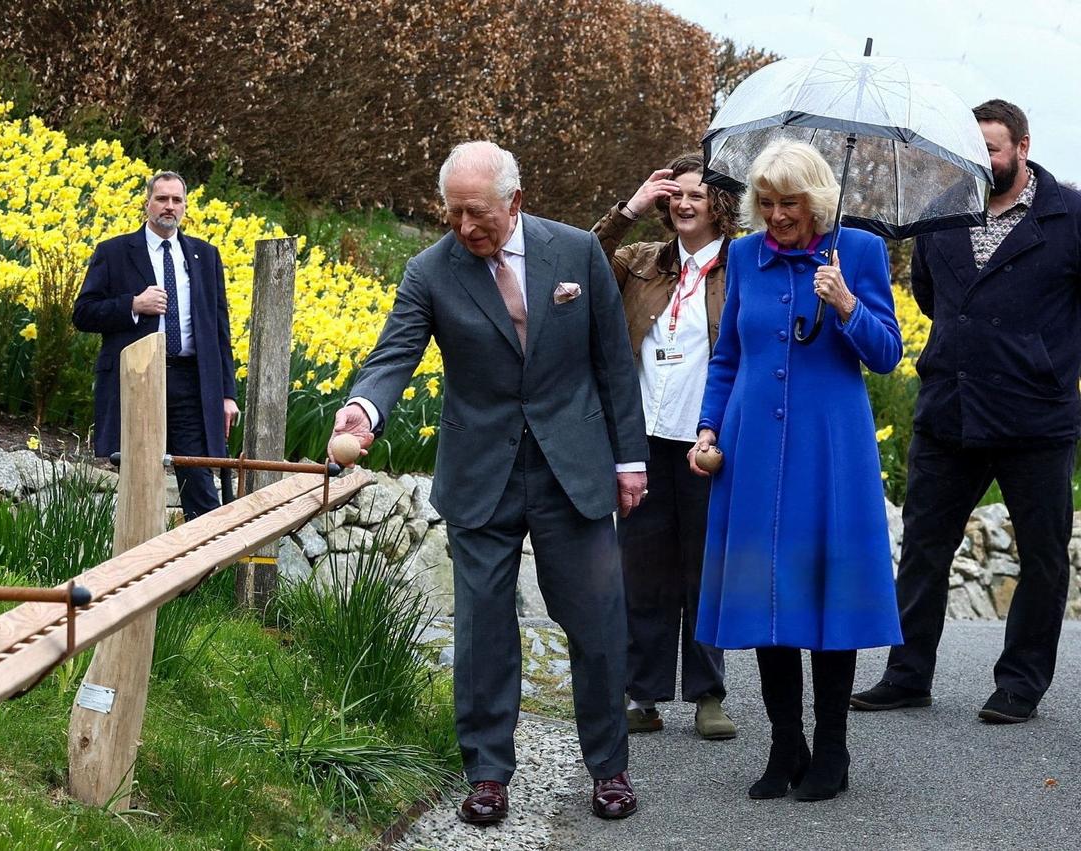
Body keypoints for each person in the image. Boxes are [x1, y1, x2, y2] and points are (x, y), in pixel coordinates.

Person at [327, 141, 648, 823]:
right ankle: (488, 774)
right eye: (454, 215)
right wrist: (363, 408)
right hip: (481, 472)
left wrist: (630, 460)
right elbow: (394, 354)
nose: (467, 227)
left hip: (573, 467)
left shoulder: (576, 254)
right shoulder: (430, 272)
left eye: (479, 214)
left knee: (595, 621)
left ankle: (609, 768)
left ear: (516, 202)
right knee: (481, 628)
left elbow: (613, 363)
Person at [851, 100, 1081, 723]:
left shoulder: (1071, 214)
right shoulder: (940, 213)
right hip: (950, 405)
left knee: (1042, 554)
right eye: (973, 149)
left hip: (1035, 415)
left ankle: (1020, 685)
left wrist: (1049, 360)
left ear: (1023, 148)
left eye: (994, 149)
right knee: (925, 546)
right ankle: (907, 675)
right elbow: (928, 294)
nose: (983, 160)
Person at [690, 139, 902, 801]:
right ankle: (786, 743)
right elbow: (727, 355)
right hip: (750, 450)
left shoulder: (857, 253)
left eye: (790, 203)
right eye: (767, 203)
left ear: (816, 201)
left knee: (826, 591)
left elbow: (888, 353)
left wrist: (845, 303)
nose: (777, 215)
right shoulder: (745, 257)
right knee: (764, 592)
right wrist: (706, 428)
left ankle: (832, 748)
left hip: (829, 450)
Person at [590, 153, 740, 740]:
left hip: (706, 444)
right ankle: (644, 694)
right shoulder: (641, 263)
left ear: (720, 204)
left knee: (706, 571)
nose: (682, 203)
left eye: (696, 195)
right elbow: (580, 260)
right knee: (643, 570)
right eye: (674, 194)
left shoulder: (739, 268)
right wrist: (628, 209)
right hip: (642, 440)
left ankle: (708, 694)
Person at [72, 171, 240, 521]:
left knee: (199, 482)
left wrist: (227, 393)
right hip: (139, 379)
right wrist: (132, 305)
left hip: (189, 381)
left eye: (176, 200)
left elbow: (219, 329)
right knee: (139, 478)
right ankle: (138, 564)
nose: (169, 207)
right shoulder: (115, 252)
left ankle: (207, 566)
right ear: (147, 203)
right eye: (162, 199)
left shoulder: (205, 256)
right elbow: (83, 313)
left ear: (185, 207)